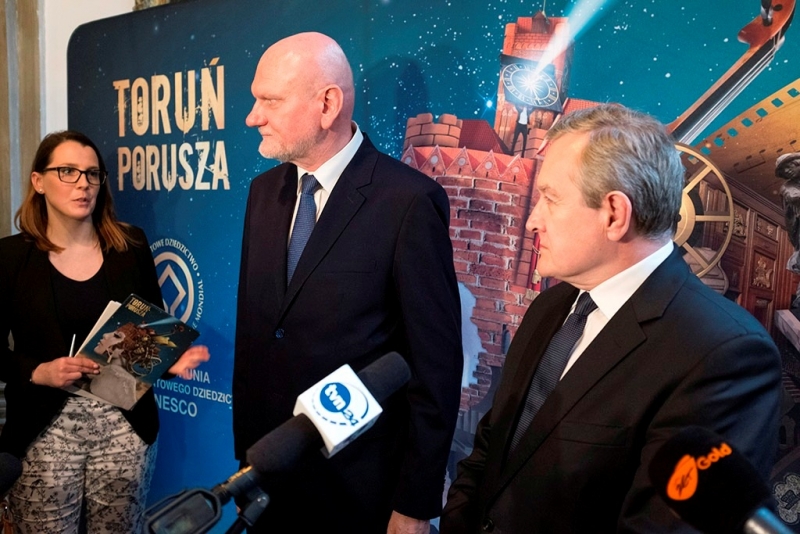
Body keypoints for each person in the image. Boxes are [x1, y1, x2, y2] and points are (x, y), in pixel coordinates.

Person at [441, 104, 782, 533]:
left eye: (550, 198)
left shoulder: (721, 354)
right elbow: (491, 449)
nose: (532, 220)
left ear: (615, 215)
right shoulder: (550, 307)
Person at [235, 32, 463, 533]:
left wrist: (414, 503)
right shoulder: (263, 192)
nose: (253, 117)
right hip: (270, 479)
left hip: (360, 492)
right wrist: (248, 465)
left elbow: (436, 366)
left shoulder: (408, 203)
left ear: (327, 104)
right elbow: (257, 334)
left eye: (270, 101)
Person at [0, 130, 210, 533]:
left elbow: (150, 334)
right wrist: (38, 371)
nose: (83, 183)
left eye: (92, 174)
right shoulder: (9, 257)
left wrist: (169, 361)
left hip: (124, 429)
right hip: (44, 430)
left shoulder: (130, 245)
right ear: (38, 181)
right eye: (68, 171)